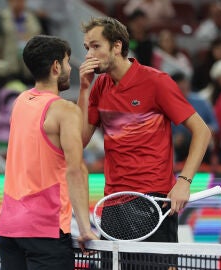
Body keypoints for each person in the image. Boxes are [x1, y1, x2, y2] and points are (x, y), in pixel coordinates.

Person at [78, 16, 211, 247]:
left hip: (154, 201)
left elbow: (202, 131)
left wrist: (184, 182)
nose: (89, 54)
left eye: (96, 46)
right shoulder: (99, 86)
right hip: (113, 202)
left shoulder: (156, 82)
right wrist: (83, 89)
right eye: (87, 48)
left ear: (117, 46)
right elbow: (78, 140)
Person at [0, 35, 98, 270]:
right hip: (46, 233)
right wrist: (84, 228)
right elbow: (76, 169)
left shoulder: (21, 101)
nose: (69, 67)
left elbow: (75, 139)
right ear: (56, 67)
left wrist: (84, 90)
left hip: (10, 230)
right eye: (66, 61)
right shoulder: (64, 111)